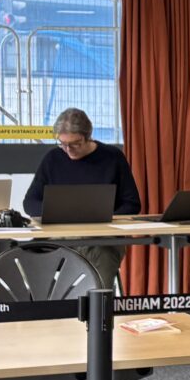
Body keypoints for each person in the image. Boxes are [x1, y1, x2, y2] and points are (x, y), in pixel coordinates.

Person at [22, 107, 140, 290]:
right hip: (59, 237)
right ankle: (49, 306)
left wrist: (104, 218)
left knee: (102, 268)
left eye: (75, 144)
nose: (68, 150)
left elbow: (132, 204)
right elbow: (30, 202)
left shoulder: (112, 157)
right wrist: (57, 214)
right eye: (62, 143)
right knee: (20, 256)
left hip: (101, 239)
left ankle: (99, 314)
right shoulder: (53, 158)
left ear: (88, 136)